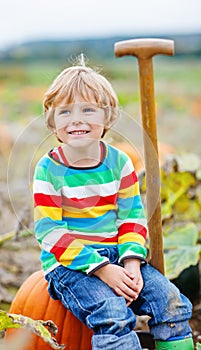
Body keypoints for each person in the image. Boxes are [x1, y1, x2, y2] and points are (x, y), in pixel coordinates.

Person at [33, 59, 194, 350]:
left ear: (107, 118)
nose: (76, 119)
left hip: (119, 255)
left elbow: (131, 216)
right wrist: (102, 268)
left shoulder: (119, 162)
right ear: (52, 121)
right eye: (65, 111)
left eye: (88, 110)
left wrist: (132, 261)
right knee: (113, 314)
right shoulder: (48, 169)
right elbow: (50, 232)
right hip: (70, 265)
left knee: (170, 302)